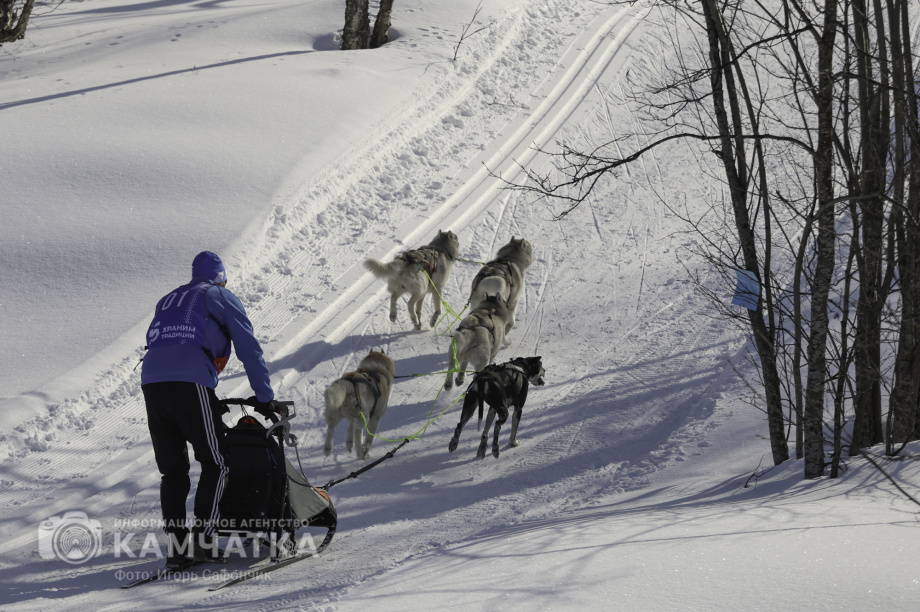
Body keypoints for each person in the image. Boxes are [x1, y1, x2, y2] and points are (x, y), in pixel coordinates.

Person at [141, 251, 277, 568]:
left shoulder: (168, 299)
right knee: (217, 460)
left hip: (152, 383)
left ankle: (177, 550)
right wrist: (264, 395)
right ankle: (204, 542)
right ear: (221, 277)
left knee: (172, 472)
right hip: (190, 381)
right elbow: (248, 347)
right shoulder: (219, 294)